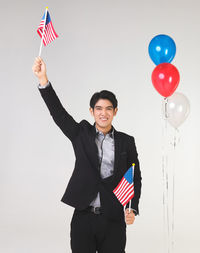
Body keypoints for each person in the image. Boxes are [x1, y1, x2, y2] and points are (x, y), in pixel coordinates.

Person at [32, 57, 142, 253]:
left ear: (115, 111)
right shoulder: (80, 133)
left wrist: (132, 208)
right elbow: (59, 114)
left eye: (108, 109)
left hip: (113, 219)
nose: (103, 113)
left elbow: (135, 177)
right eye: (98, 108)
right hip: (83, 216)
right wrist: (43, 80)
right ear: (91, 111)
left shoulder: (127, 141)